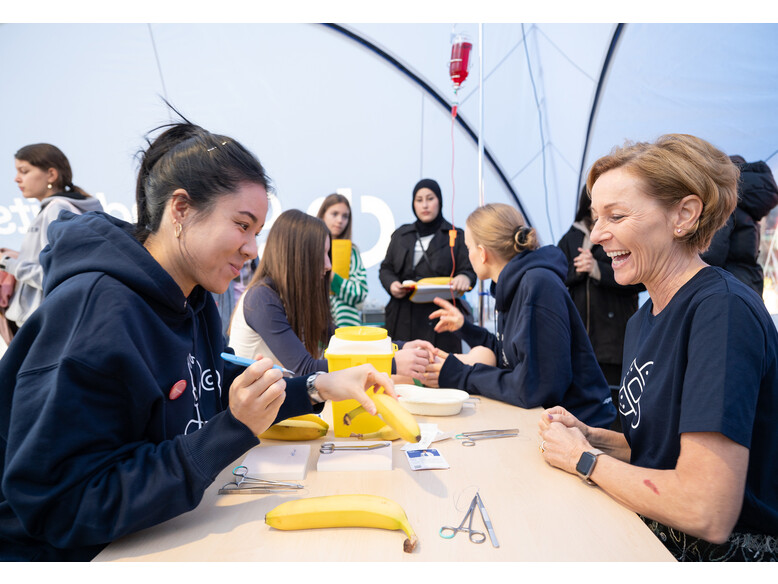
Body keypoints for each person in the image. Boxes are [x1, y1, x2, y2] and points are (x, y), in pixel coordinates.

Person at [0, 121, 394, 561]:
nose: (251, 249)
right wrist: (228, 432)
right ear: (182, 210)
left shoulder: (195, 299)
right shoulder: (97, 310)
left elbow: (204, 380)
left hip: (154, 534)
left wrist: (318, 387)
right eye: (242, 225)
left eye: (257, 232)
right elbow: (59, 505)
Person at [538, 134, 778, 562]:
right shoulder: (642, 320)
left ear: (683, 215)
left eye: (616, 215)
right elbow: (660, 451)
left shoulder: (720, 312)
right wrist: (593, 438)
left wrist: (585, 459)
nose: (596, 235)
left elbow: (706, 509)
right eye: (596, 217)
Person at [422, 203, 616, 429]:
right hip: (552, 422)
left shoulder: (537, 286)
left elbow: (534, 386)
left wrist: (461, 375)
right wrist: (464, 327)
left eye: (468, 248)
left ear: (483, 253)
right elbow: (510, 355)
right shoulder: (516, 285)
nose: (468, 255)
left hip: (582, 428)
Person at [228, 209, 432, 380]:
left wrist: (398, 347)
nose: (328, 265)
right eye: (321, 254)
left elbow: (340, 340)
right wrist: (390, 363)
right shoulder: (262, 299)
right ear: (297, 257)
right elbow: (305, 369)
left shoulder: (294, 298)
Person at [558, 186, 643, 430]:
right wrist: (580, 269)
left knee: (615, 401)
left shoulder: (625, 235)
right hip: (580, 336)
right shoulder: (570, 237)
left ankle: (614, 445)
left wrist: (597, 269)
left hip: (613, 335)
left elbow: (637, 280)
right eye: (595, 208)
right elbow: (558, 275)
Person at [0, 144, 103, 332]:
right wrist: (18, 257)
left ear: (51, 175)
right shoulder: (56, 208)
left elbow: (57, 275)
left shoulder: (57, 209)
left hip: (42, 326)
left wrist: (6, 263)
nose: (16, 179)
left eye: (24, 171)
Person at [379, 178, 476, 353]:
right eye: (419, 200)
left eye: (430, 198)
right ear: (413, 204)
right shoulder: (401, 234)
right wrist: (392, 284)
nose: (425, 205)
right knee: (402, 371)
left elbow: (469, 270)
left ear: (440, 200)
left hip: (440, 318)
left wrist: (464, 277)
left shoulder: (455, 235)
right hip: (402, 316)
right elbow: (386, 268)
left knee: (439, 370)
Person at [701, 155, 778, 297]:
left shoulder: (728, 201)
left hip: (728, 285)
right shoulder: (748, 202)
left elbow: (713, 253)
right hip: (749, 280)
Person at [317, 193, 368, 327]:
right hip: (314, 324)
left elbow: (360, 293)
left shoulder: (352, 252)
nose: (340, 220)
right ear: (322, 214)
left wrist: (334, 278)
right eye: (334, 214)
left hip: (345, 327)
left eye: (345, 216)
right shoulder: (308, 247)